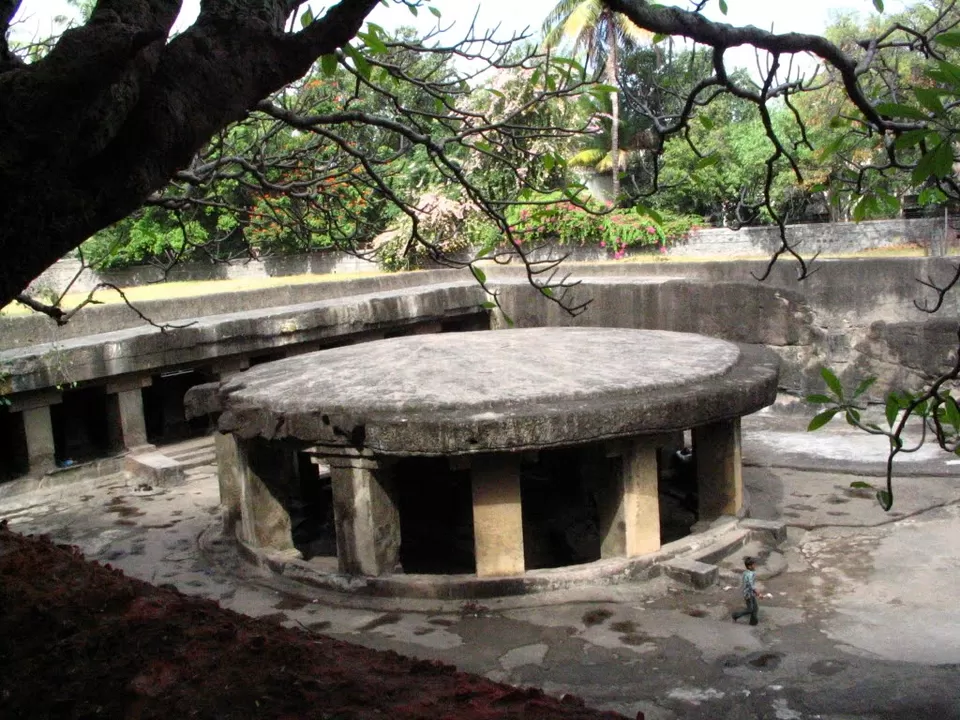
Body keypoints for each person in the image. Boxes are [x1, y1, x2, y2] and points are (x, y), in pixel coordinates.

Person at [732, 556, 759, 626]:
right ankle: (736, 615)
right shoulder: (750, 574)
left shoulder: (746, 572)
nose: (755, 565)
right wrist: (758, 593)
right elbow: (751, 585)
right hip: (748, 594)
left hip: (749, 593)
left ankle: (753, 622)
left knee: (755, 608)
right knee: (750, 609)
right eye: (754, 564)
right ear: (750, 566)